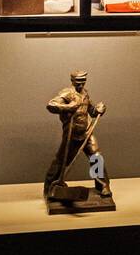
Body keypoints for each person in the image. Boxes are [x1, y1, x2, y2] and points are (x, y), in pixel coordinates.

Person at [43, 70, 111, 200]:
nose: (81, 85)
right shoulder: (67, 93)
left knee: (96, 157)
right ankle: (50, 187)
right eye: (78, 82)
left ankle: (102, 185)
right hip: (71, 135)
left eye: (83, 82)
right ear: (72, 81)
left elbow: (90, 110)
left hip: (86, 132)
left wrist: (98, 110)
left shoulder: (84, 94)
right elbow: (50, 105)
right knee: (61, 160)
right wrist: (69, 107)